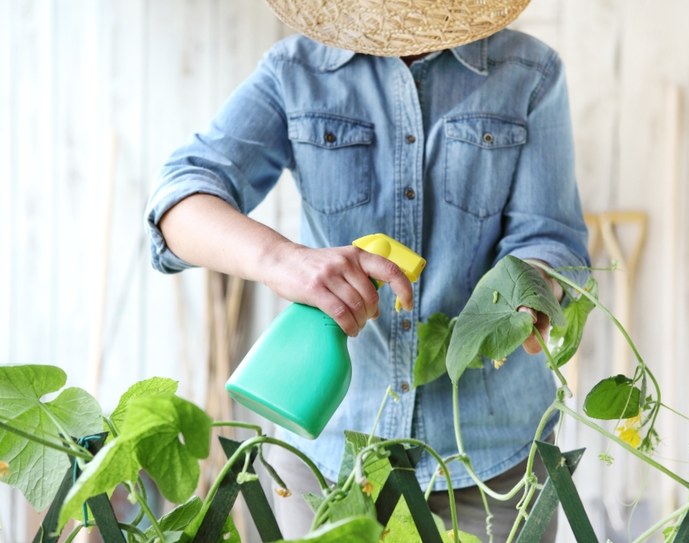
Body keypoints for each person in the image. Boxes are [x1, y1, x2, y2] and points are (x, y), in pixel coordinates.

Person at [145, 0, 590, 540]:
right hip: (326, 451)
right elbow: (179, 201)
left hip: (490, 453)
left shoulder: (529, 73)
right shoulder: (295, 71)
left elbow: (550, 236)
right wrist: (284, 261)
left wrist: (533, 288)